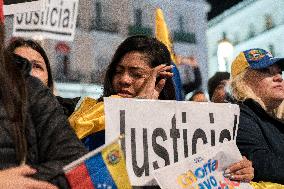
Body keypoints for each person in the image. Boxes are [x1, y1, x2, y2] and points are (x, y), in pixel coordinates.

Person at [69, 35, 254, 184]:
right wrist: (138, 108)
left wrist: (237, 169)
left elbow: (206, 173)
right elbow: (74, 152)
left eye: (137, 74)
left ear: (160, 80)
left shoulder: (186, 124)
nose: (124, 79)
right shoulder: (90, 111)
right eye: (118, 71)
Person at [0, 26, 87, 188]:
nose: (30, 72)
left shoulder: (32, 92)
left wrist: (18, 180)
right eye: (24, 65)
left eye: (37, 66)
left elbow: (75, 162)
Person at [230, 48, 284, 184]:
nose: (279, 77)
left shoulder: (271, 117)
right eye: (266, 71)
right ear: (243, 80)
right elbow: (260, 162)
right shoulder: (240, 115)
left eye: (279, 72)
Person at [7, 38, 80, 116]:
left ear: (48, 79)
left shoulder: (69, 120)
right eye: (20, 65)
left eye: (36, 66)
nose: (28, 71)